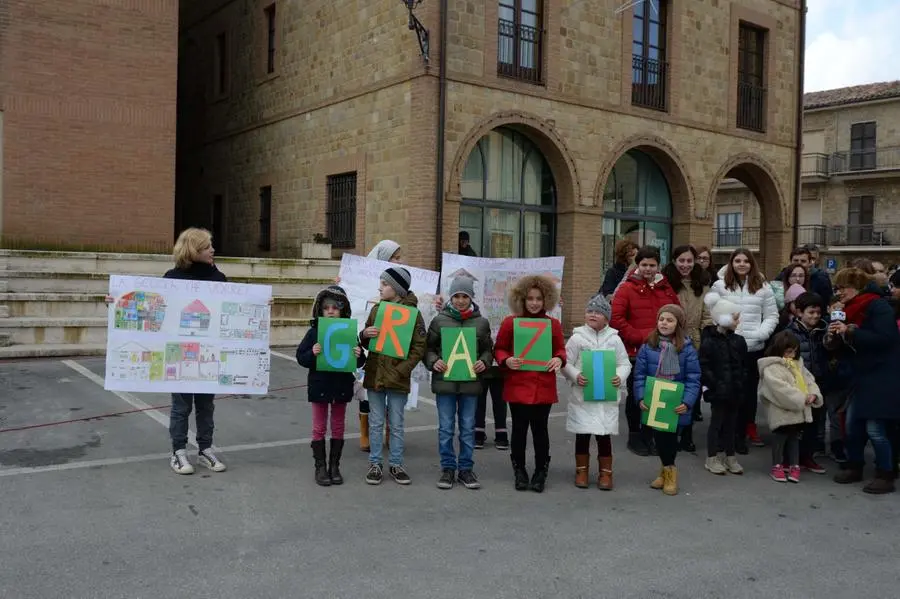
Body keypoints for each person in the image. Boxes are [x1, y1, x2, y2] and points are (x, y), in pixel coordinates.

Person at [155, 228, 230, 475]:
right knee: (181, 406)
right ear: (194, 250)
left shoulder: (218, 278)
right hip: (180, 352)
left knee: (206, 405)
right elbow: (156, 309)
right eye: (208, 247)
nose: (213, 250)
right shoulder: (172, 277)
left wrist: (260, 304)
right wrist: (117, 301)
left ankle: (205, 450)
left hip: (208, 352)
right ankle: (178, 452)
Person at [827, 267, 900, 494]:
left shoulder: (877, 306)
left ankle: (885, 473)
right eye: (837, 288)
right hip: (860, 375)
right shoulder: (849, 308)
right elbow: (845, 345)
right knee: (852, 424)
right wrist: (833, 338)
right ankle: (855, 465)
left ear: (856, 286)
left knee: (876, 427)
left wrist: (851, 331)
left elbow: (886, 338)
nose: (839, 292)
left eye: (842, 287)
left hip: (881, 375)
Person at [494, 274, 566, 493]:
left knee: (540, 431)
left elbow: (560, 349)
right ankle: (519, 470)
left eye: (539, 299)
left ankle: (541, 471)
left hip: (542, 385)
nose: (534, 303)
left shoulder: (552, 324)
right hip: (518, 384)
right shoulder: (510, 322)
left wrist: (559, 359)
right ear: (522, 300)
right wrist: (506, 359)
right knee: (518, 430)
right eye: (530, 298)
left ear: (546, 301)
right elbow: (499, 348)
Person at [423, 275, 493, 490]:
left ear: (471, 297)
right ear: (451, 298)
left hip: (470, 384)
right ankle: (447, 468)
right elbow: (428, 349)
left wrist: (484, 362)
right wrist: (434, 362)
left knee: (467, 427)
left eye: (465, 296)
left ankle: (465, 469)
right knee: (445, 428)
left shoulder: (481, 322)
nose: (461, 300)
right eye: (457, 296)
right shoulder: (439, 320)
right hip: (445, 383)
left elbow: (488, 350)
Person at [359, 266, 427, 485]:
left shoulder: (413, 315)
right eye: (381, 283)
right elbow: (367, 339)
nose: (380, 287)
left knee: (396, 423)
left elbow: (419, 347)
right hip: (375, 374)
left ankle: (396, 464)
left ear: (397, 289)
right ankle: (375, 463)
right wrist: (364, 335)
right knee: (376, 422)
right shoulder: (376, 310)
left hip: (398, 377)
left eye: (385, 284)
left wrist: (402, 370)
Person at [706, 248, 778, 453]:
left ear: (751, 263)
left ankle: (740, 436)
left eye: (746, 261)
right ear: (731, 263)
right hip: (726, 346)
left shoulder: (762, 287)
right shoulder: (720, 286)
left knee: (746, 395)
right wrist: (725, 326)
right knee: (725, 392)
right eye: (737, 260)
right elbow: (711, 311)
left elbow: (772, 315)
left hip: (752, 347)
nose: (741, 264)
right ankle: (722, 436)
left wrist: (761, 334)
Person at [611, 245, 681, 457]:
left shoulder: (665, 287)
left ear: (658, 266)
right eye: (644, 265)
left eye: (652, 265)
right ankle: (635, 435)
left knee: (658, 392)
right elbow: (617, 319)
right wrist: (640, 336)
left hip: (664, 349)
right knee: (637, 394)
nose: (648, 269)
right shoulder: (626, 288)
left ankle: (651, 434)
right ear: (637, 265)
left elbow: (677, 313)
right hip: (636, 350)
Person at [295, 285, 366, 486]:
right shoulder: (315, 332)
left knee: (338, 427)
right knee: (319, 428)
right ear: (321, 310)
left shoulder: (349, 333)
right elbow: (301, 357)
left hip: (341, 385)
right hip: (319, 385)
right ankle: (320, 467)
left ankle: (335, 466)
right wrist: (312, 353)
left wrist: (358, 356)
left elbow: (359, 363)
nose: (331, 311)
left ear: (343, 310)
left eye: (335, 307)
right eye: (327, 308)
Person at [562, 294, 631, 490]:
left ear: (607, 317)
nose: (593, 315)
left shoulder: (615, 340)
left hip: (605, 399)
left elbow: (624, 363)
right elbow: (565, 362)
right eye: (590, 311)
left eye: (598, 312)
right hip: (582, 397)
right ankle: (581, 471)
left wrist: (619, 377)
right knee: (582, 435)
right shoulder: (576, 338)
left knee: (604, 436)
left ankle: (606, 474)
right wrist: (575, 375)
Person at [633, 305, 702, 496]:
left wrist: (687, 402)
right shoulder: (648, 346)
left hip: (675, 401)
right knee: (657, 437)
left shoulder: (686, 349)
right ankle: (664, 471)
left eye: (670, 320)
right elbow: (639, 375)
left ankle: (671, 472)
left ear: (678, 324)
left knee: (670, 439)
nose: (664, 323)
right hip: (654, 399)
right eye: (661, 319)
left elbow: (694, 378)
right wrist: (640, 397)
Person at [354, 240, 403, 452]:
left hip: (392, 347)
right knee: (367, 390)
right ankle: (365, 432)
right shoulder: (364, 282)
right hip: (368, 347)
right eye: (396, 258)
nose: (400, 262)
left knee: (393, 392)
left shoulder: (399, 285)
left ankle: (391, 431)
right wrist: (341, 285)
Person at [662, 245, 711, 451]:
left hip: (695, 341)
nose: (685, 265)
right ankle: (669, 431)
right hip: (671, 340)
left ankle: (688, 434)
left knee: (692, 387)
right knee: (671, 384)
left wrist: (707, 335)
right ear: (674, 261)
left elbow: (707, 315)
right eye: (681, 260)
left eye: (689, 261)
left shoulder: (703, 284)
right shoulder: (666, 283)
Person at [757, 331, 823, 484]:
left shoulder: (798, 364)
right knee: (780, 437)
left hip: (797, 409)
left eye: (794, 351)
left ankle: (794, 465)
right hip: (781, 409)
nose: (792, 355)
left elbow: (809, 380)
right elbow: (780, 389)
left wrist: (813, 393)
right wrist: (802, 398)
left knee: (794, 437)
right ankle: (777, 465)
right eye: (788, 351)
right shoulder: (771, 368)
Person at [699, 297, 747, 476]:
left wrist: (741, 382)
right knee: (717, 423)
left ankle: (730, 456)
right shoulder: (709, 341)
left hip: (735, 390)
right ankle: (712, 457)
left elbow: (743, 365)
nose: (738, 321)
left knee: (732, 424)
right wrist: (713, 385)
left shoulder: (739, 341)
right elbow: (704, 366)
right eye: (735, 317)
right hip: (718, 391)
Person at [784, 292, 830, 474]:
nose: (815, 316)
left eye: (818, 313)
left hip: (817, 383)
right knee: (794, 424)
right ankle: (789, 458)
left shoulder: (823, 330)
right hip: (797, 383)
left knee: (814, 422)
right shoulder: (789, 333)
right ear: (799, 312)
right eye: (811, 312)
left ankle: (807, 457)